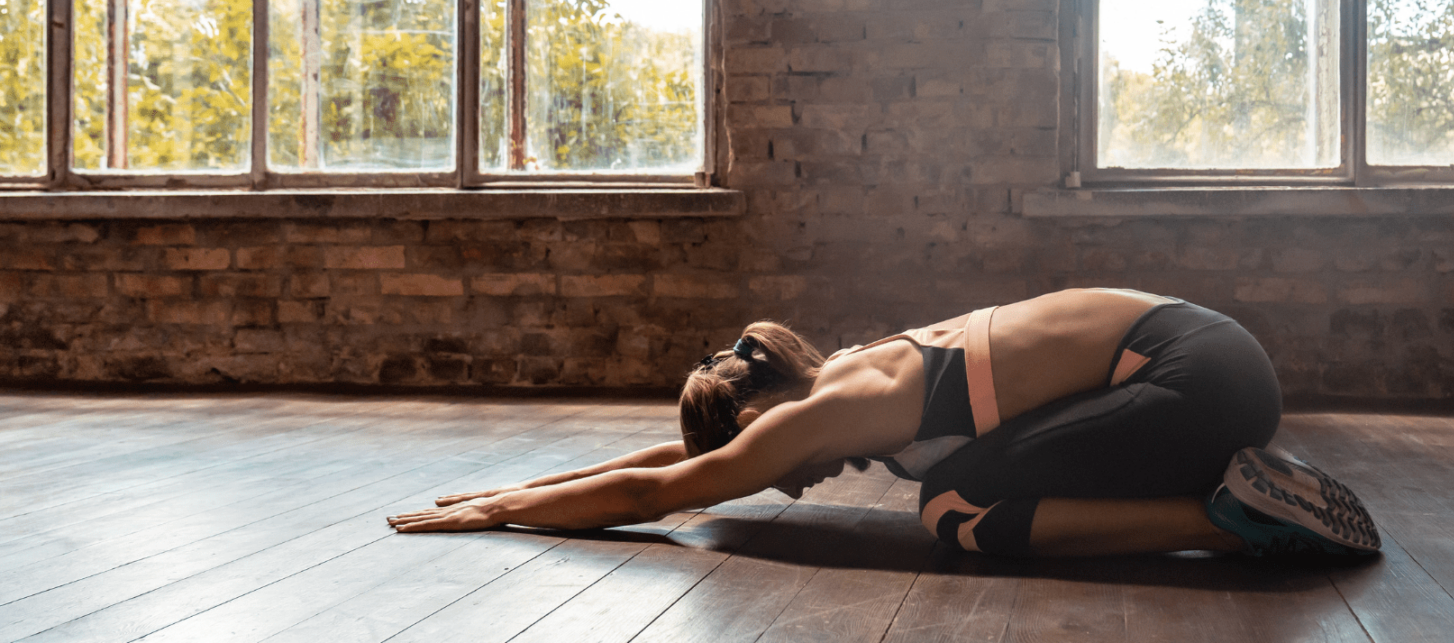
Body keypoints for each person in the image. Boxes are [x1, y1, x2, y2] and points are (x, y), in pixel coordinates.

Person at [388, 288, 1380, 558]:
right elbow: (677, 462)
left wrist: (508, 512)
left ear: (762, 410)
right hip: (1204, 361)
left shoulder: (832, 409)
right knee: (963, 490)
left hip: (1193, 380)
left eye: (752, 450)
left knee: (955, 507)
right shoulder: (855, 367)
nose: (773, 481)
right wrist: (503, 488)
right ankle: (1240, 488)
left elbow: (665, 492)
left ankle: (1228, 517)